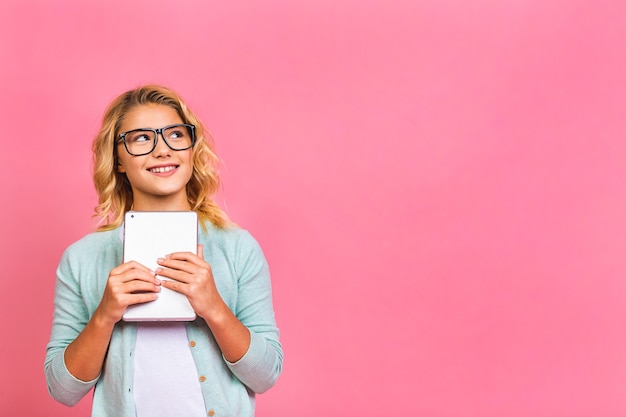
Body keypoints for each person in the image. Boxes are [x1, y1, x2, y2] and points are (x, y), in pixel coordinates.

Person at [44, 85, 283, 417]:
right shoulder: (82, 258)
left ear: (190, 147)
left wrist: (214, 308)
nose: (163, 150)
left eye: (175, 134)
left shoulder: (237, 247)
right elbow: (63, 390)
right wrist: (105, 315)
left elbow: (266, 374)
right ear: (118, 160)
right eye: (142, 138)